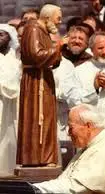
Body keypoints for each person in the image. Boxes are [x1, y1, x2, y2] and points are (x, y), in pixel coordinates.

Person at [32, 104, 105, 193]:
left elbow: (75, 187)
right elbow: (65, 181)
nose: (68, 133)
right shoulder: (92, 146)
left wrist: (36, 190)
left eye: (71, 128)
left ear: (88, 125)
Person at [62, 31, 105, 157]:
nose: (104, 52)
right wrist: (94, 88)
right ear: (91, 49)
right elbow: (73, 100)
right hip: (91, 127)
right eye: (100, 48)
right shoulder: (80, 71)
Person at [16, 4, 62, 167]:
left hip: (43, 78)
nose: (60, 21)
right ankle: (36, 157)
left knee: (47, 118)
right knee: (36, 119)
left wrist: (56, 52)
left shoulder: (44, 31)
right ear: (48, 17)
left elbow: (51, 59)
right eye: (58, 18)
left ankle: (45, 157)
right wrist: (58, 47)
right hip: (36, 81)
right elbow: (36, 56)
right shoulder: (33, 29)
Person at [0, 24, 21, 175]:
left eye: (2, 34)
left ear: (10, 38)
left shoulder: (16, 62)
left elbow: (14, 86)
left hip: (10, 107)